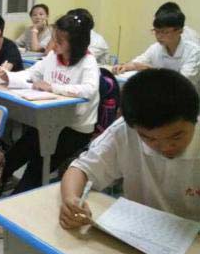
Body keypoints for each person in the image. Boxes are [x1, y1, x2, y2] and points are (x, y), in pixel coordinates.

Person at [60, 69, 200, 229]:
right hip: (138, 229)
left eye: (176, 137)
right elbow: (81, 170)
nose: (165, 147)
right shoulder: (125, 131)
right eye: (149, 138)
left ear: (195, 119)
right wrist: (71, 200)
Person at [0, 14, 100, 194]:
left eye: (60, 41)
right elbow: (33, 73)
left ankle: (17, 203)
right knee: (14, 155)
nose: (54, 44)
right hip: (49, 121)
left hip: (75, 128)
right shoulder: (54, 56)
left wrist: (53, 87)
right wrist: (10, 77)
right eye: (54, 38)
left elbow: (89, 89)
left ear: (76, 43)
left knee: (37, 166)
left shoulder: (88, 62)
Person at [113, 10, 200, 91]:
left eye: (165, 32)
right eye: (156, 31)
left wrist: (153, 71)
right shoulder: (156, 48)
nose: (159, 36)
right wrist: (124, 66)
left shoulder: (193, 52)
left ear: (180, 31)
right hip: (160, 94)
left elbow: (182, 83)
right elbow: (138, 63)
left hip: (184, 97)